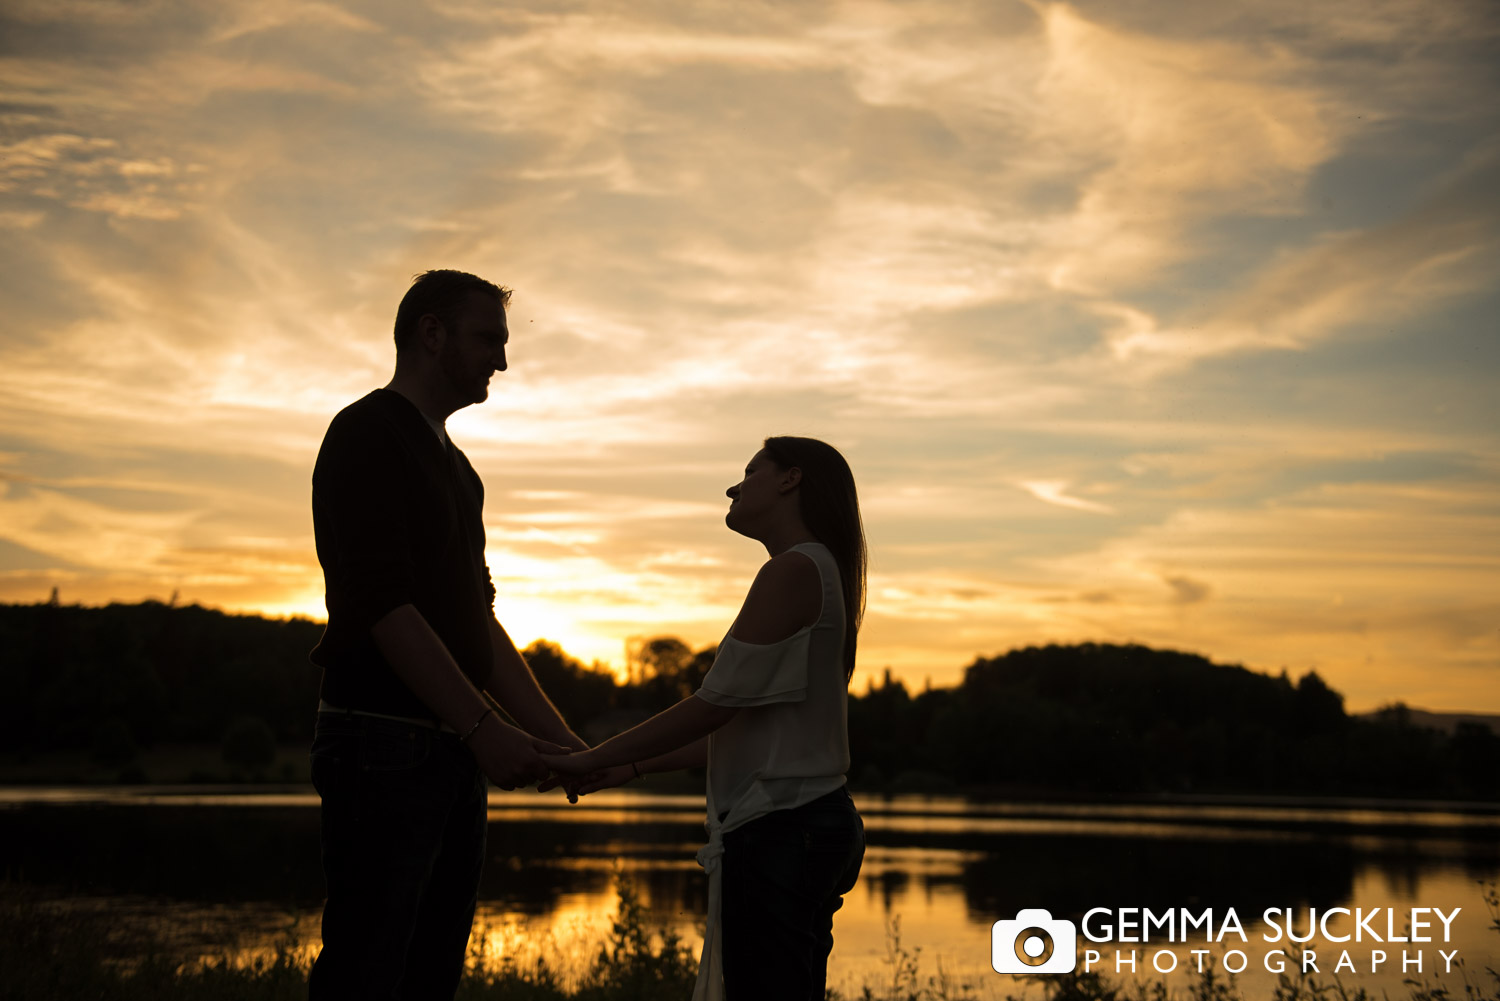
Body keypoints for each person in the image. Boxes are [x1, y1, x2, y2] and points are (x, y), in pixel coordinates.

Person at [307, 269, 587, 1000]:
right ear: (431, 333)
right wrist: (482, 728)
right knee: (366, 974)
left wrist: (570, 748)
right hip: (381, 745)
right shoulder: (367, 434)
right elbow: (382, 606)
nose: (502, 359)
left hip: (449, 756)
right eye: (488, 338)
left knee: (428, 980)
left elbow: (479, 621)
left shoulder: (461, 471)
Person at [541, 436, 867, 1001]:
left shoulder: (793, 570)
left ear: (791, 479)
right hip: (809, 825)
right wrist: (632, 768)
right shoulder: (819, 570)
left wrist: (593, 756)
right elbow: (736, 725)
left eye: (749, 472)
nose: (733, 487)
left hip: (783, 830)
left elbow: (712, 707)